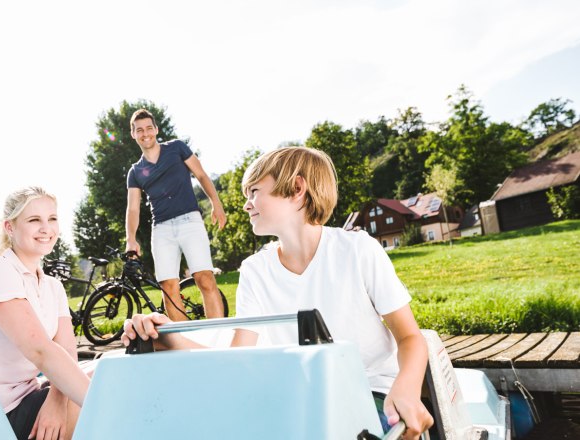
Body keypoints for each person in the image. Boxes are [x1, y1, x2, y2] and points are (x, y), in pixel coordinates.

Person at [122, 147, 434, 439]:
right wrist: (170, 336)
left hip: (369, 393)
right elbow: (238, 358)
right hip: (298, 402)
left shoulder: (357, 250)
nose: (246, 204)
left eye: (254, 192)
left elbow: (410, 337)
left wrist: (405, 389)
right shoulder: (256, 270)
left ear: (297, 190)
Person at [0, 187, 90, 440]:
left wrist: (56, 402)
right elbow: (40, 350)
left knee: (110, 372)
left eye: (52, 219)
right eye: (34, 220)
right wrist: (109, 407)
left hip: (30, 397)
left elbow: (67, 355)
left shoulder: (53, 286)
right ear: (10, 227)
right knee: (91, 399)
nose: (46, 228)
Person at [125, 108, 226, 321]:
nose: (145, 134)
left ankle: (217, 334)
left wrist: (216, 203)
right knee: (168, 287)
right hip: (161, 229)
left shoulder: (177, 148)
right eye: (139, 130)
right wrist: (131, 239)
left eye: (149, 128)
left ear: (156, 129)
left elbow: (201, 174)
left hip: (190, 220)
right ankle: (184, 343)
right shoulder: (135, 172)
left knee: (204, 278)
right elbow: (133, 208)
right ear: (133, 134)